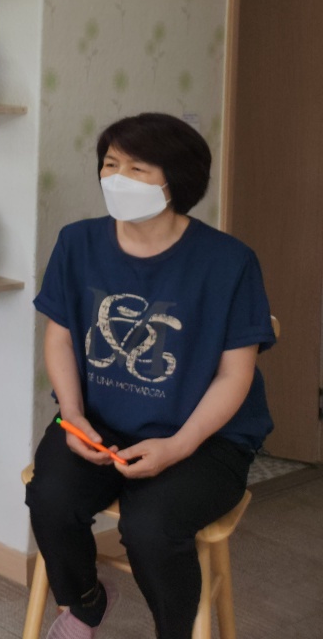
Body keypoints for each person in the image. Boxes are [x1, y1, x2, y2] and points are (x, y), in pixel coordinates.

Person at [25, 113, 273, 639]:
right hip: (100, 421)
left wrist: (179, 446)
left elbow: (235, 375)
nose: (117, 178)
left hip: (205, 438)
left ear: (176, 182)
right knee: (50, 498)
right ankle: (85, 604)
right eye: (110, 164)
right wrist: (72, 413)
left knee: (151, 529)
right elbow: (60, 337)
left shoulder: (229, 263)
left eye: (137, 169)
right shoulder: (77, 243)